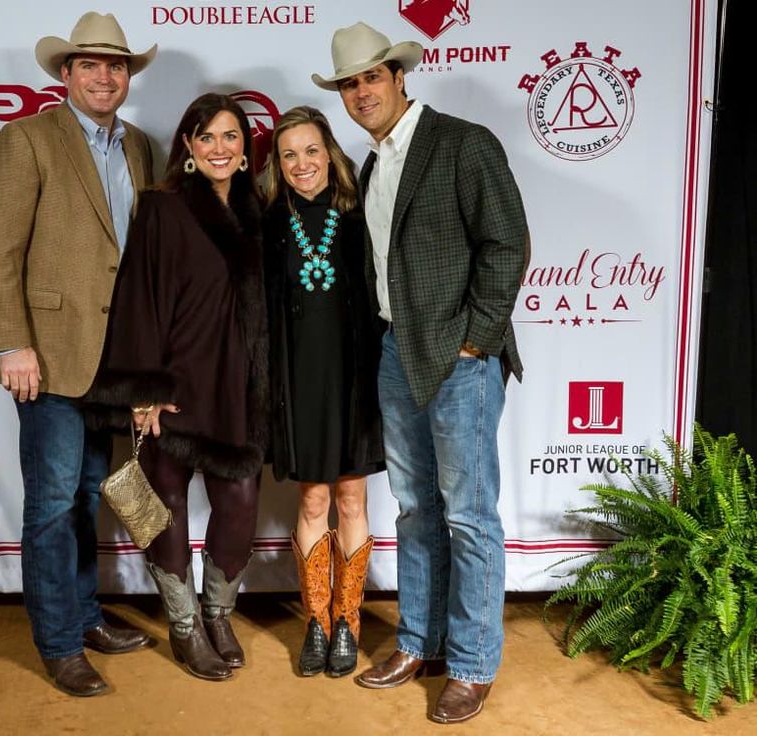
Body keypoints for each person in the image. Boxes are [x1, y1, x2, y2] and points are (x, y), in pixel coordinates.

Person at [313, 22, 529, 723]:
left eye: (371, 77)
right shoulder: (373, 163)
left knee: (468, 516)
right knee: (414, 510)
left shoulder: (463, 144)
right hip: (394, 354)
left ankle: (470, 664)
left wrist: (478, 340)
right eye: (349, 82)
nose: (361, 91)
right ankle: (418, 642)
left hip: (459, 361)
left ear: (400, 77)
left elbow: (507, 242)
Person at [0, 12, 157, 697]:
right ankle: (57, 642)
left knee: (85, 494)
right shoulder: (27, 140)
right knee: (50, 502)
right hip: (46, 356)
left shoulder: (140, 147)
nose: (104, 76)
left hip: (113, 359)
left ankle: (83, 615)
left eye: (116, 66)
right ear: (65, 75)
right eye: (89, 65)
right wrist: (13, 343)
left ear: (127, 76)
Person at [83, 93, 269, 682]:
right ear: (188, 145)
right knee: (165, 506)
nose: (220, 147)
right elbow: (139, 297)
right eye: (207, 136)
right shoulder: (162, 208)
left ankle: (218, 612)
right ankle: (185, 625)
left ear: (246, 150)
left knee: (239, 504)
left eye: (231, 137)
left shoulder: (258, 210)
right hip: (175, 385)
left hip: (236, 384)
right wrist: (142, 389)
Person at [262, 106, 384, 678]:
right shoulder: (268, 223)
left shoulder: (360, 214)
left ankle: (348, 623)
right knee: (313, 501)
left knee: (352, 501)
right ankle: (316, 621)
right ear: (277, 165)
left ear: (329, 153)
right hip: (298, 382)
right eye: (289, 154)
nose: (301, 164)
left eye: (311, 151)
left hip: (355, 379)